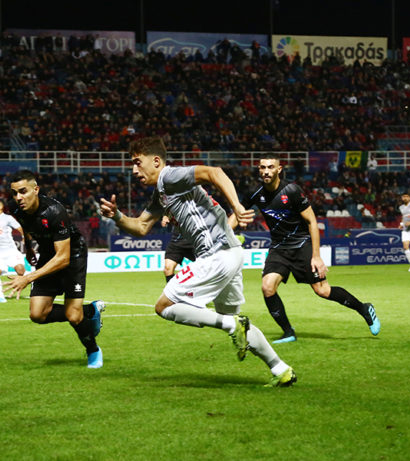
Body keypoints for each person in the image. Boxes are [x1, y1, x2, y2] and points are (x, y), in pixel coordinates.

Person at [99, 136, 296, 387]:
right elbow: (141, 226)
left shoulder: (170, 177)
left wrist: (237, 206)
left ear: (156, 161)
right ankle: (281, 369)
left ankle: (230, 324)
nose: (134, 170)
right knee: (234, 318)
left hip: (216, 254)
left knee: (164, 306)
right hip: (231, 253)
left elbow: (215, 172)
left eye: (138, 163)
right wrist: (116, 215)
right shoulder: (162, 192)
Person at [231, 155, 379, 344]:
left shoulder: (292, 191)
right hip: (278, 248)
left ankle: (364, 308)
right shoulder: (255, 192)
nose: (266, 171)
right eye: (262, 167)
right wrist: (225, 233)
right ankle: (288, 332)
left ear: (279, 169)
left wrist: (316, 256)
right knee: (267, 287)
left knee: (322, 290)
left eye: (270, 167)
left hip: (301, 245)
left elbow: (312, 221)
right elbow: (238, 213)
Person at [5, 171, 105, 369]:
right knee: (37, 314)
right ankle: (90, 310)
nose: (18, 197)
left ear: (36, 189)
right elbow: (25, 226)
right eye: (15, 193)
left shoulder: (54, 211)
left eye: (23, 191)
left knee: (74, 316)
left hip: (72, 255)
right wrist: (28, 248)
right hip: (47, 253)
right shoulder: (16, 208)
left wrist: (28, 278)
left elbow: (63, 258)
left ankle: (93, 350)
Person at [0, 198, 25, 302]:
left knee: (20, 270)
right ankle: (0, 297)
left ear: (1, 207)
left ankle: (33, 284)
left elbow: (20, 228)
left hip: (10, 250)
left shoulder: (8, 218)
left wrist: (24, 237)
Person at [161, 215, 196, 284]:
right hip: (177, 241)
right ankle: (173, 290)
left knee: (208, 268)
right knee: (168, 269)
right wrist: (166, 216)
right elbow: (169, 211)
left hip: (196, 241)